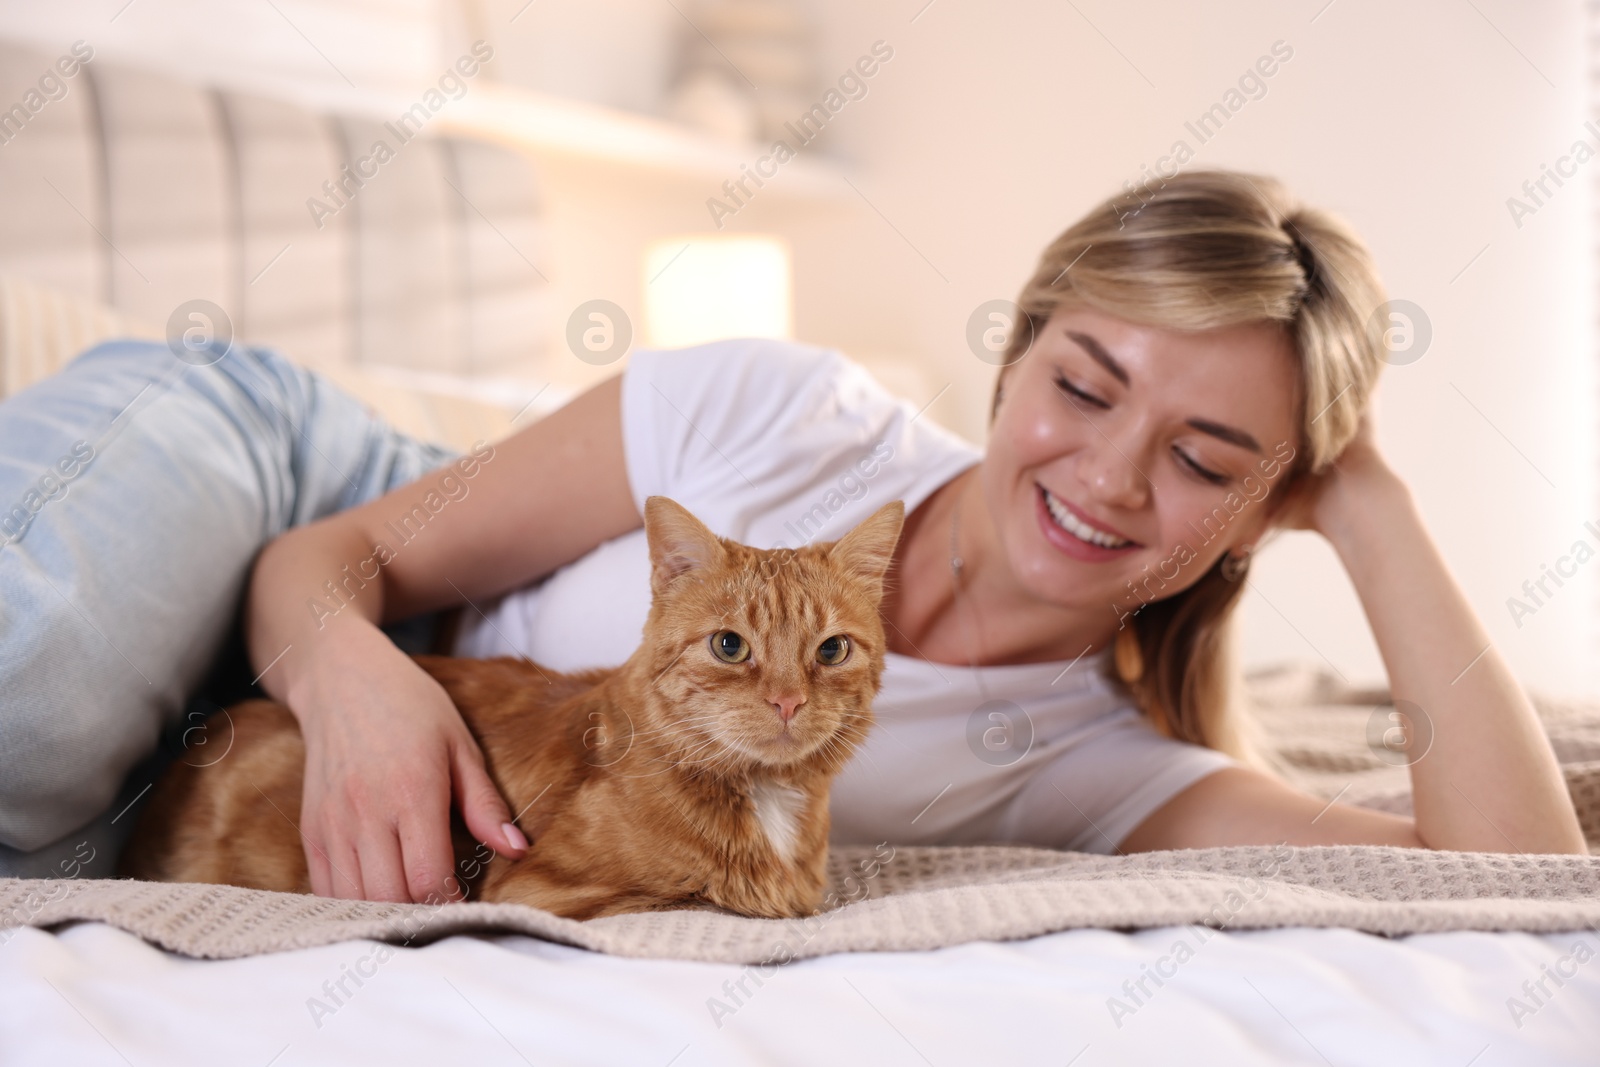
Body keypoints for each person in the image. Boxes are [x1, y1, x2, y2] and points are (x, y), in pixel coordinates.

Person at [0, 168, 1584, 897]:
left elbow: (1515, 885)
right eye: (1085, 383)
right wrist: (353, 689)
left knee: (54, 824)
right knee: (33, 692)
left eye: (1206, 461)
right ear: (1015, 349)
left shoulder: (1109, 773)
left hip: (257, 761)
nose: (1106, 476)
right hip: (294, 502)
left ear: (1259, 517)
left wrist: (1369, 500)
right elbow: (332, 563)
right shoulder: (785, 410)